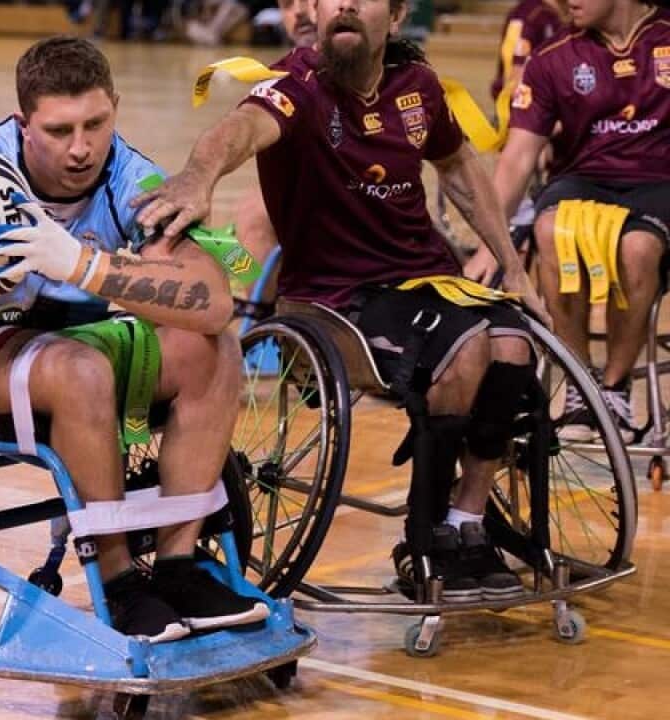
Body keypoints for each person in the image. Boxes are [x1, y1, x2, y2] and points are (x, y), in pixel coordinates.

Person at [136, 0, 551, 601]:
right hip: (336, 299)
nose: (345, 4)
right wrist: (201, 177)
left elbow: (459, 165)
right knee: (465, 351)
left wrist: (512, 267)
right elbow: (234, 133)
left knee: (514, 343)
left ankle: (467, 519)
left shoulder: (418, 87)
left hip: (426, 280)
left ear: (398, 14)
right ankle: (424, 534)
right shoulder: (294, 87)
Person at [0, 36, 265, 642]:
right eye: (59, 131)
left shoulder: (130, 177)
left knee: (211, 349)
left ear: (115, 109)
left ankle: (180, 567)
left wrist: (80, 265)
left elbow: (212, 302)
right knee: (80, 368)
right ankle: (118, 581)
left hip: (65, 331)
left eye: (95, 124)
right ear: (25, 125)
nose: (81, 148)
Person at [489, 0, 670, 441]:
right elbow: (516, 160)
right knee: (551, 230)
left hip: (658, 181)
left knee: (637, 248)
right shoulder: (554, 56)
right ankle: (580, 390)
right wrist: (487, 242)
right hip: (581, 180)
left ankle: (614, 390)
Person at [233, 0, 318, 305]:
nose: (298, 13)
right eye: (286, 4)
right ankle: (263, 311)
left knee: (255, 212)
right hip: (307, 209)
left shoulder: (399, 73)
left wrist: (480, 248)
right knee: (234, 238)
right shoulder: (277, 78)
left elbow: (457, 161)